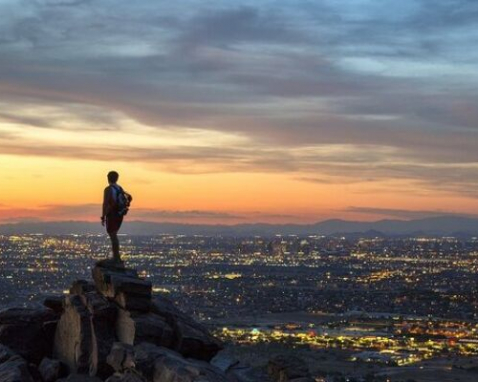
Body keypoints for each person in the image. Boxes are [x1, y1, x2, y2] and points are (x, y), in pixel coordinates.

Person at [101, 171, 132, 263]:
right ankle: (116, 256)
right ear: (117, 178)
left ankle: (116, 257)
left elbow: (105, 203)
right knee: (114, 235)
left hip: (112, 214)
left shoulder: (108, 189)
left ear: (108, 178)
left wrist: (103, 216)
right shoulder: (119, 188)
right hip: (120, 214)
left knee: (113, 235)